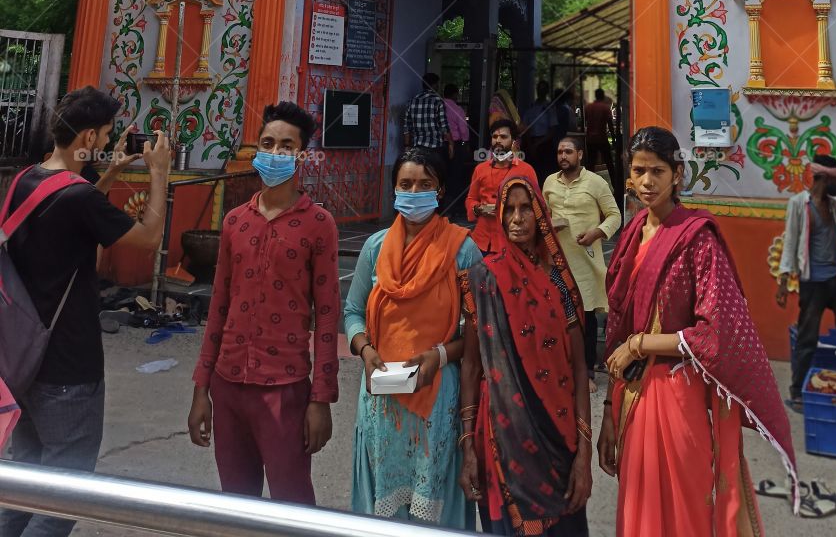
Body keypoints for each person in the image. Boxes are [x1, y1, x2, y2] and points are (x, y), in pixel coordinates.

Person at [599, 126, 797, 536]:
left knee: (685, 508)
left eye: (657, 171)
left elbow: (717, 332)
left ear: (677, 174)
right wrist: (607, 417)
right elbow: (617, 325)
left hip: (676, 393)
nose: (647, 181)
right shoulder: (632, 234)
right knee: (639, 507)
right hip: (631, 395)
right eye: (639, 171)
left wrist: (640, 344)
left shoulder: (697, 238)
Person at [0, 87, 171, 537]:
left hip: (22, 360)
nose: (110, 141)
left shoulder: (25, 180)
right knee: (64, 498)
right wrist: (159, 173)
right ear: (89, 136)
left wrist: (110, 172)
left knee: (25, 484)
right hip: (68, 368)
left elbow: (72, 219)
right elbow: (148, 239)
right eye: (108, 134)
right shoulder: (80, 200)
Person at [188, 102, 339, 504]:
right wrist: (202, 388)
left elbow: (327, 318)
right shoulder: (235, 221)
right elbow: (219, 306)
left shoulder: (319, 224)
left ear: (301, 155)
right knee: (237, 504)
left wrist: (320, 399)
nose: (275, 152)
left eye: (286, 146)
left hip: (284, 388)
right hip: (228, 384)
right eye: (268, 143)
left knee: (293, 505)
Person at [345, 148, 481, 525]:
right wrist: (365, 349)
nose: (414, 192)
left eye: (425, 184)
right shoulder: (374, 248)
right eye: (405, 184)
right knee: (380, 513)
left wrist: (440, 355)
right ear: (394, 189)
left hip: (437, 401)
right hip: (381, 400)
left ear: (440, 191)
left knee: (435, 511)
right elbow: (352, 312)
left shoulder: (463, 250)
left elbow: (478, 333)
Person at [459, 175, 592, 537]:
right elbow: (471, 366)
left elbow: (580, 369)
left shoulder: (559, 283)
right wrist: (467, 446)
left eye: (525, 209)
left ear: (540, 215)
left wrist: (583, 454)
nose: (517, 218)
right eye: (509, 210)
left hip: (559, 439)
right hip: (503, 438)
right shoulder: (483, 279)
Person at [777, 153, 836, 410]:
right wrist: (783, 282)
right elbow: (790, 242)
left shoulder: (833, 205)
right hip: (813, 282)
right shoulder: (798, 204)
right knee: (807, 338)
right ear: (823, 178)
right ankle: (797, 392)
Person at [543, 136, 622, 389]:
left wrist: (596, 233)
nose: (563, 156)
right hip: (556, 259)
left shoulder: (596, 182)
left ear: (579, 155)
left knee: (585, 317)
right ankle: (560, 367)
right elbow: (543, 215)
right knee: (557, 315)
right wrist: (549, 226)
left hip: (585, 261)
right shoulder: (549, 182)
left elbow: (615, 216)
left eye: (568, 152)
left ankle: (586, 373)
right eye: (559, 152)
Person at [466, 118, 538, 255]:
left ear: (514, 142)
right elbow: (471, 199)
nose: (498, 140)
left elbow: (535, 205)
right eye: (494, 137)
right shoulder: (480, 169)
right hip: (482, 240)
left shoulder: (526, 170)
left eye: (503, 137)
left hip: (513, 241)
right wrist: (477, 209)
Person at [404, 72, 452, 158]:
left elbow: (406, 127)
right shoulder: (438, 101)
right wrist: (451, 143)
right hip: (435, 146)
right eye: (438, 84)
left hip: (417, 146)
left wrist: (407, 146)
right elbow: (444, 126)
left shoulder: (412, 101)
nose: (438, 86)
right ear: (434, 85)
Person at [442, 82, 471, 220]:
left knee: (442, 174)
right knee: (455, 176)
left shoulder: (438, 106)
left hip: (440, 145)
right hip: (456, 144)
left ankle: (440, 207)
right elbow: (463, 129)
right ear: (455, 94)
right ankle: (452, 209)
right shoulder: (457, 109)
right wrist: (465, 142)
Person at [519, 79, 554, 183]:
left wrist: (537, 144)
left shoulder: (550, 108)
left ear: (547, 91)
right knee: (530, 171)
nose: (541, 91)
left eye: (543, 89)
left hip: (545, 143)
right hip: (530, 142)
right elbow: (525, 128)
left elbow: (552, 131)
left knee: (544, 173)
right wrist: (531, 144)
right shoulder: (531, 107)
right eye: (539, 89)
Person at [583, 88, 615, 182]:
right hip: (602, 138)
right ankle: (614, 183)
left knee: (591, 163)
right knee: (609, 162)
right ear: (602, 96)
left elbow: (585, 120)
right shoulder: (605, 108)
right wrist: (613, 137)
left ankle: (588, 182)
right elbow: (610, 123)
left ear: (595, 96)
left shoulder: (588, 107)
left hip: (590, 139)